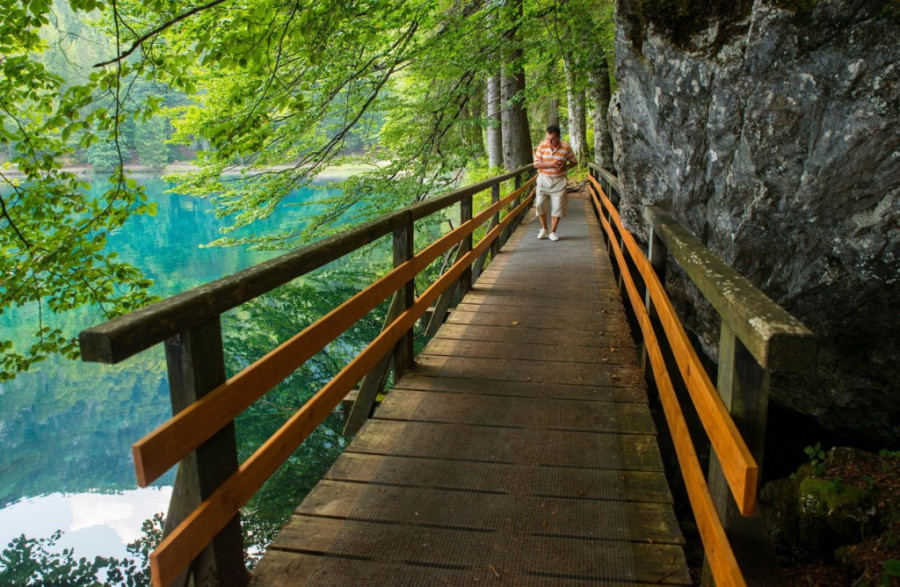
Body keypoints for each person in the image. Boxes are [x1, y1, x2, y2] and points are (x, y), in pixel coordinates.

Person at [532, 124, 577, 241]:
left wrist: (565, 166)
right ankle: (544, 229)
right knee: (540, 205)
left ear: (558, 137)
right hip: (543, 179)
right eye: (547, 138)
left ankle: (553, 232)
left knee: (558, 207)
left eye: (552, 139)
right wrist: (551, 164)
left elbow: (574, 161)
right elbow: (536, 164)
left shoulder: (565, 147)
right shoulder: (542, 146)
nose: (549, 141)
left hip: (559, 180)